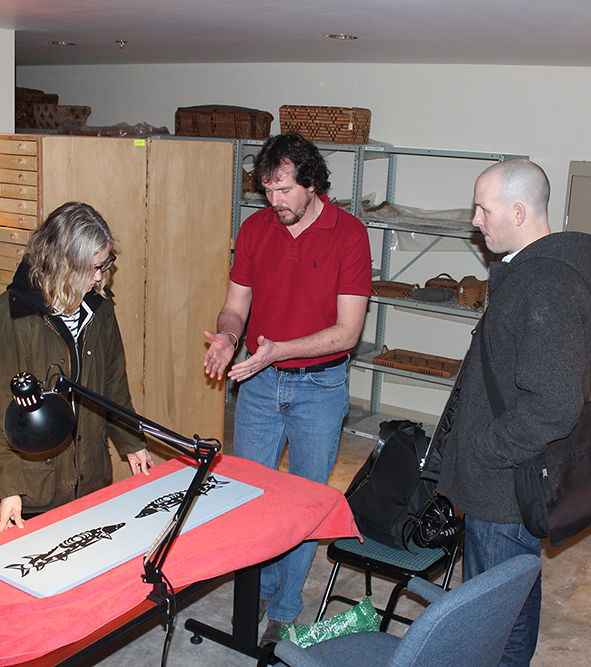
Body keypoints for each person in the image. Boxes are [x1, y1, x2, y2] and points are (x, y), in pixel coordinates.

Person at [430, 159, 591, 665]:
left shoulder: (546, 286)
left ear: (520, 210)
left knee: (497, 613)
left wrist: (486, 451)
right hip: (500, 483)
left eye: (484, 209)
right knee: (508, 596)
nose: (476, 221)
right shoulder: (527, 275)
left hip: (506, 488)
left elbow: (553, 405)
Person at [203, 133, 371, 643]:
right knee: (252, 495)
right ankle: (257, 587)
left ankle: (284, 604)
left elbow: (348, 332)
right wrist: (230, 337)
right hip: (258, 381)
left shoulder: (350, 235)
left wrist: (278, 350)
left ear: (312, 182)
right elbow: (235, 304)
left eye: (284, 191)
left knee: (302, 500)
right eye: (267, 191)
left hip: (320, 387)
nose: (274, 202)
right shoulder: (255, 229)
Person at [0, 201, 154, 535]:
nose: (100, 277)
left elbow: (113, 385)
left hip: (88, 476)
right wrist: (8, 489)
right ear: (61, 263)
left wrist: (131, 441)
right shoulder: (11, 318)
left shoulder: (99, 309)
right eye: (92, 267)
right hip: (33, 487)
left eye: (104, 264)